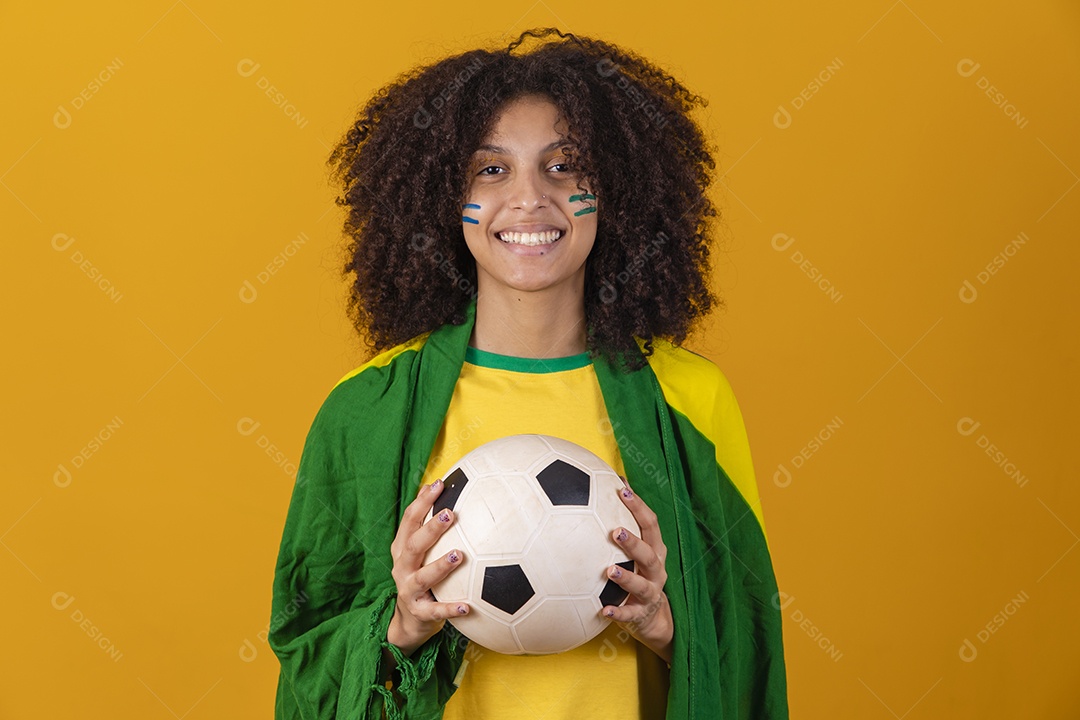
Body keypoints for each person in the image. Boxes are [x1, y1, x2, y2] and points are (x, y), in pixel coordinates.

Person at [269, 27, 788, 719]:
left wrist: (669, 628)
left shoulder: (690, 398)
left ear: (616, 190)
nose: (529, 199)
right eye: (490, 170)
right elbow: (306, 651)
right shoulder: (368, 407)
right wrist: (402, 628)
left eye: (564, 165)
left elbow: (748, 641)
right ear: (441, 199)